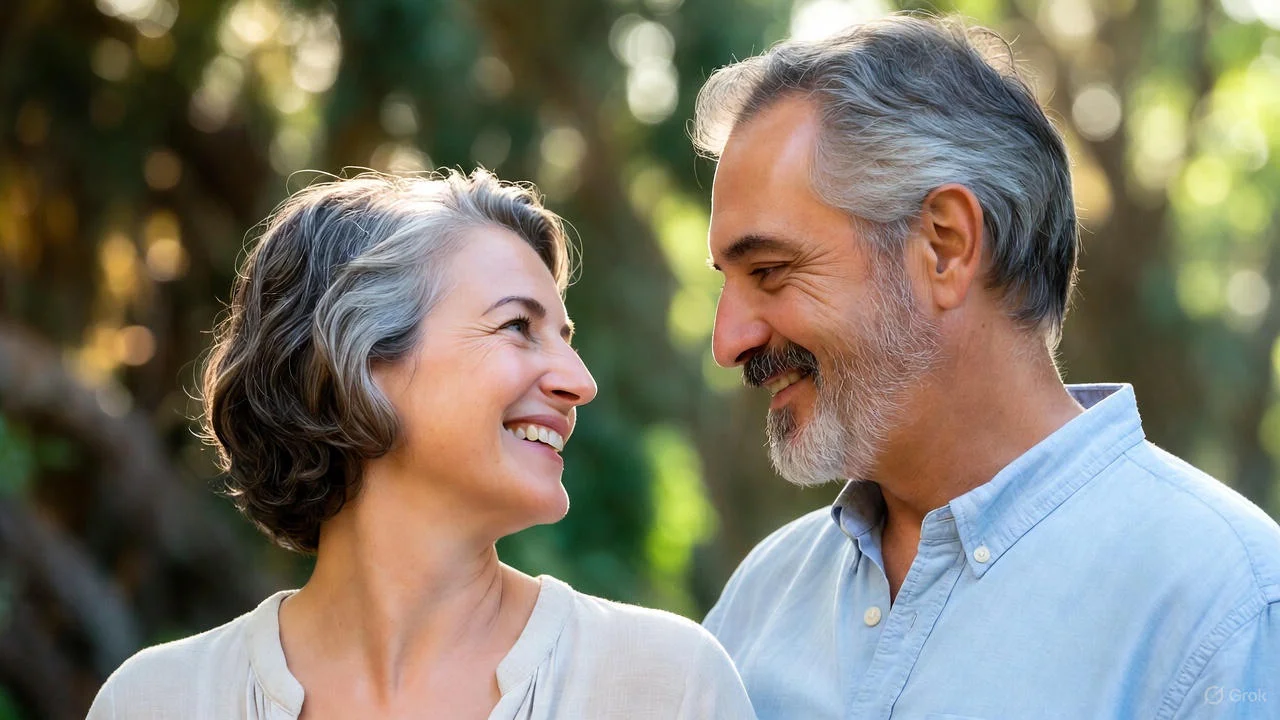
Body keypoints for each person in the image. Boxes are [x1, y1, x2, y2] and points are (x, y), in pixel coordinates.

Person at [693, 13, 1280, 720]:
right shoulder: (759, 601)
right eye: (726, 281)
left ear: (945, 246)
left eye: (770, 270)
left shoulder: (1227, 608)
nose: (727, 341)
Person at [88, 169, 756, 720]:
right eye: (518, 327)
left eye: (564, 337)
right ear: (357, 360)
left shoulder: (665, 687)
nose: (579, 383)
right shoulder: (153, 703)